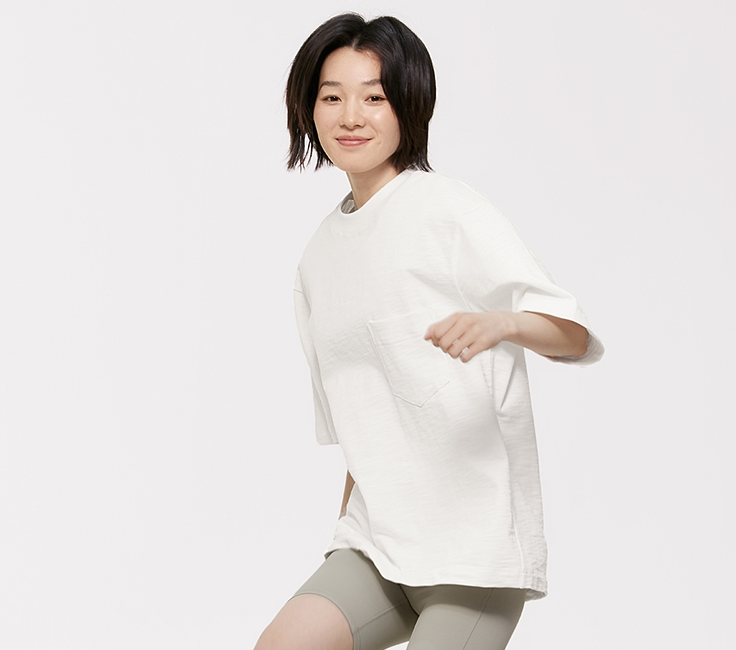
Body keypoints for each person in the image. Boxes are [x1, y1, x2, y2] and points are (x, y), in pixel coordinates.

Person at [255, 13, 603, 650]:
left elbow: (572, 334)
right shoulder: (317, 258)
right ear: (309, 110)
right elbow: (361, 423)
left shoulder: (447, 210)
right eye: (332, 97)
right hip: (377, 544)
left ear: (409, 106)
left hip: (473, 550)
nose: (351, 116)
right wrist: (343, 539)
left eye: (374, 97)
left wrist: (503, 323)